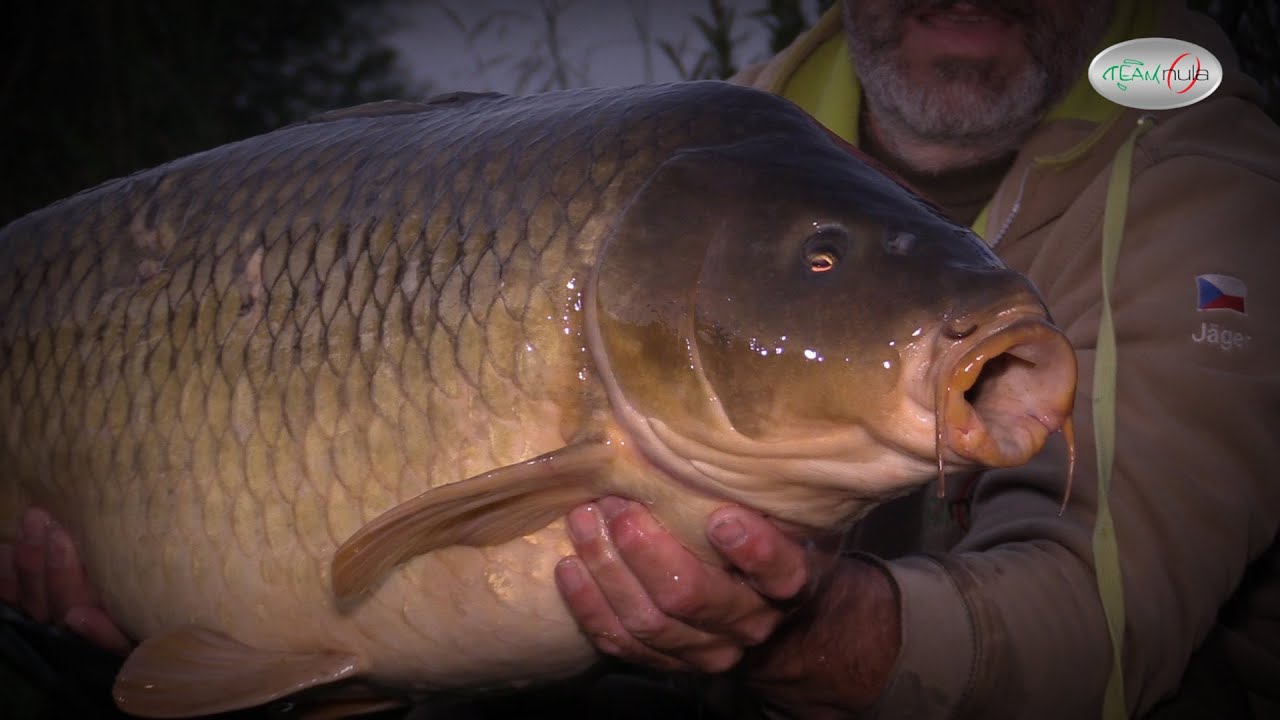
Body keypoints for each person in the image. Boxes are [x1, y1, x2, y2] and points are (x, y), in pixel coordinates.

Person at [4, 1, 1278, 718]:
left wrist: (796, 631)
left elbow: (1108, 631)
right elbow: (384, 588)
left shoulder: (1212, 186)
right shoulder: (709, 134)